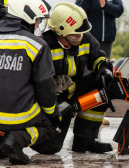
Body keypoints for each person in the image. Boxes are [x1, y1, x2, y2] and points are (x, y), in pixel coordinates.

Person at [30, 2, 113, 154]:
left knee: (104, 86)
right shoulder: (43, 45)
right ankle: (27, 138)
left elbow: (99, 56)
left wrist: (104, 69)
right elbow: (37, 85)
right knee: (51, 147)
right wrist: (59, 104)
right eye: (74, 34)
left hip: (75, 91)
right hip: (50, 100)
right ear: (59, 32)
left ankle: (85, 141)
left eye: (81, 33)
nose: (79, 37)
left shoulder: (85, 38)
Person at [0, 0, 60, 165]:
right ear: (26, 16)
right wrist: (53, 113)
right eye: (38, 20)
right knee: (51, 126)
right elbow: (44, 86)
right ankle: (17, 139)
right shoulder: (36, 44)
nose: (39, 23)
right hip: (19, 116)